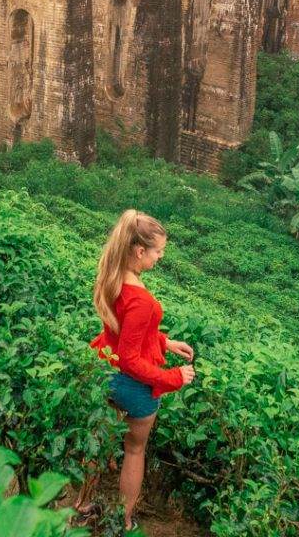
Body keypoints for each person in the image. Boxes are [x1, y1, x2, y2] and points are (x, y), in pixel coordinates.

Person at [75, 209, 195, 532]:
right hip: (133, 385)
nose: (160, 258)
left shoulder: (113, 278)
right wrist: (173, 377)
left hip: (105, 372)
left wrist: (166, 342)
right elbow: (131, 359)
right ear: (140, 251)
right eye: (158, 252)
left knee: (99, 441)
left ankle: (83, 502)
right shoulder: (141, 299)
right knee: (134, 449)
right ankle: (124, 519)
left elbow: (125, 334)